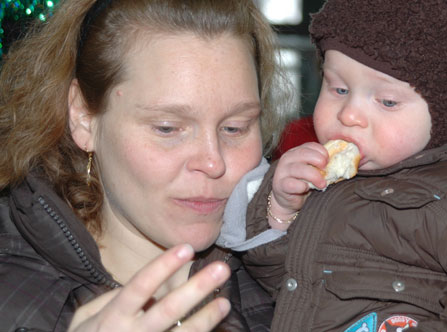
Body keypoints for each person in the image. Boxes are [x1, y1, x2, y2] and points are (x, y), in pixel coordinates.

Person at [231, 0, 447, 331]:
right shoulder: (338, 180)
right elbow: (288, 290)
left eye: (387, 101)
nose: (348, 114)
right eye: (339, 88)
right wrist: (282, 211)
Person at [0, 0, 295, 331]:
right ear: (84, 118)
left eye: (235, 128)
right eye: (167, 128)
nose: (213, 162)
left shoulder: (304, 279)